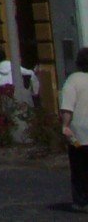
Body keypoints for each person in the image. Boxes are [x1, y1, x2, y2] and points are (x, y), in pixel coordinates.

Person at [61, 50, 88, 212]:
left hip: (79, 134)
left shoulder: (73, 80)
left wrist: (65, 126)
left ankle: (81, 201)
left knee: (79, 168)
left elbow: (67, 108)